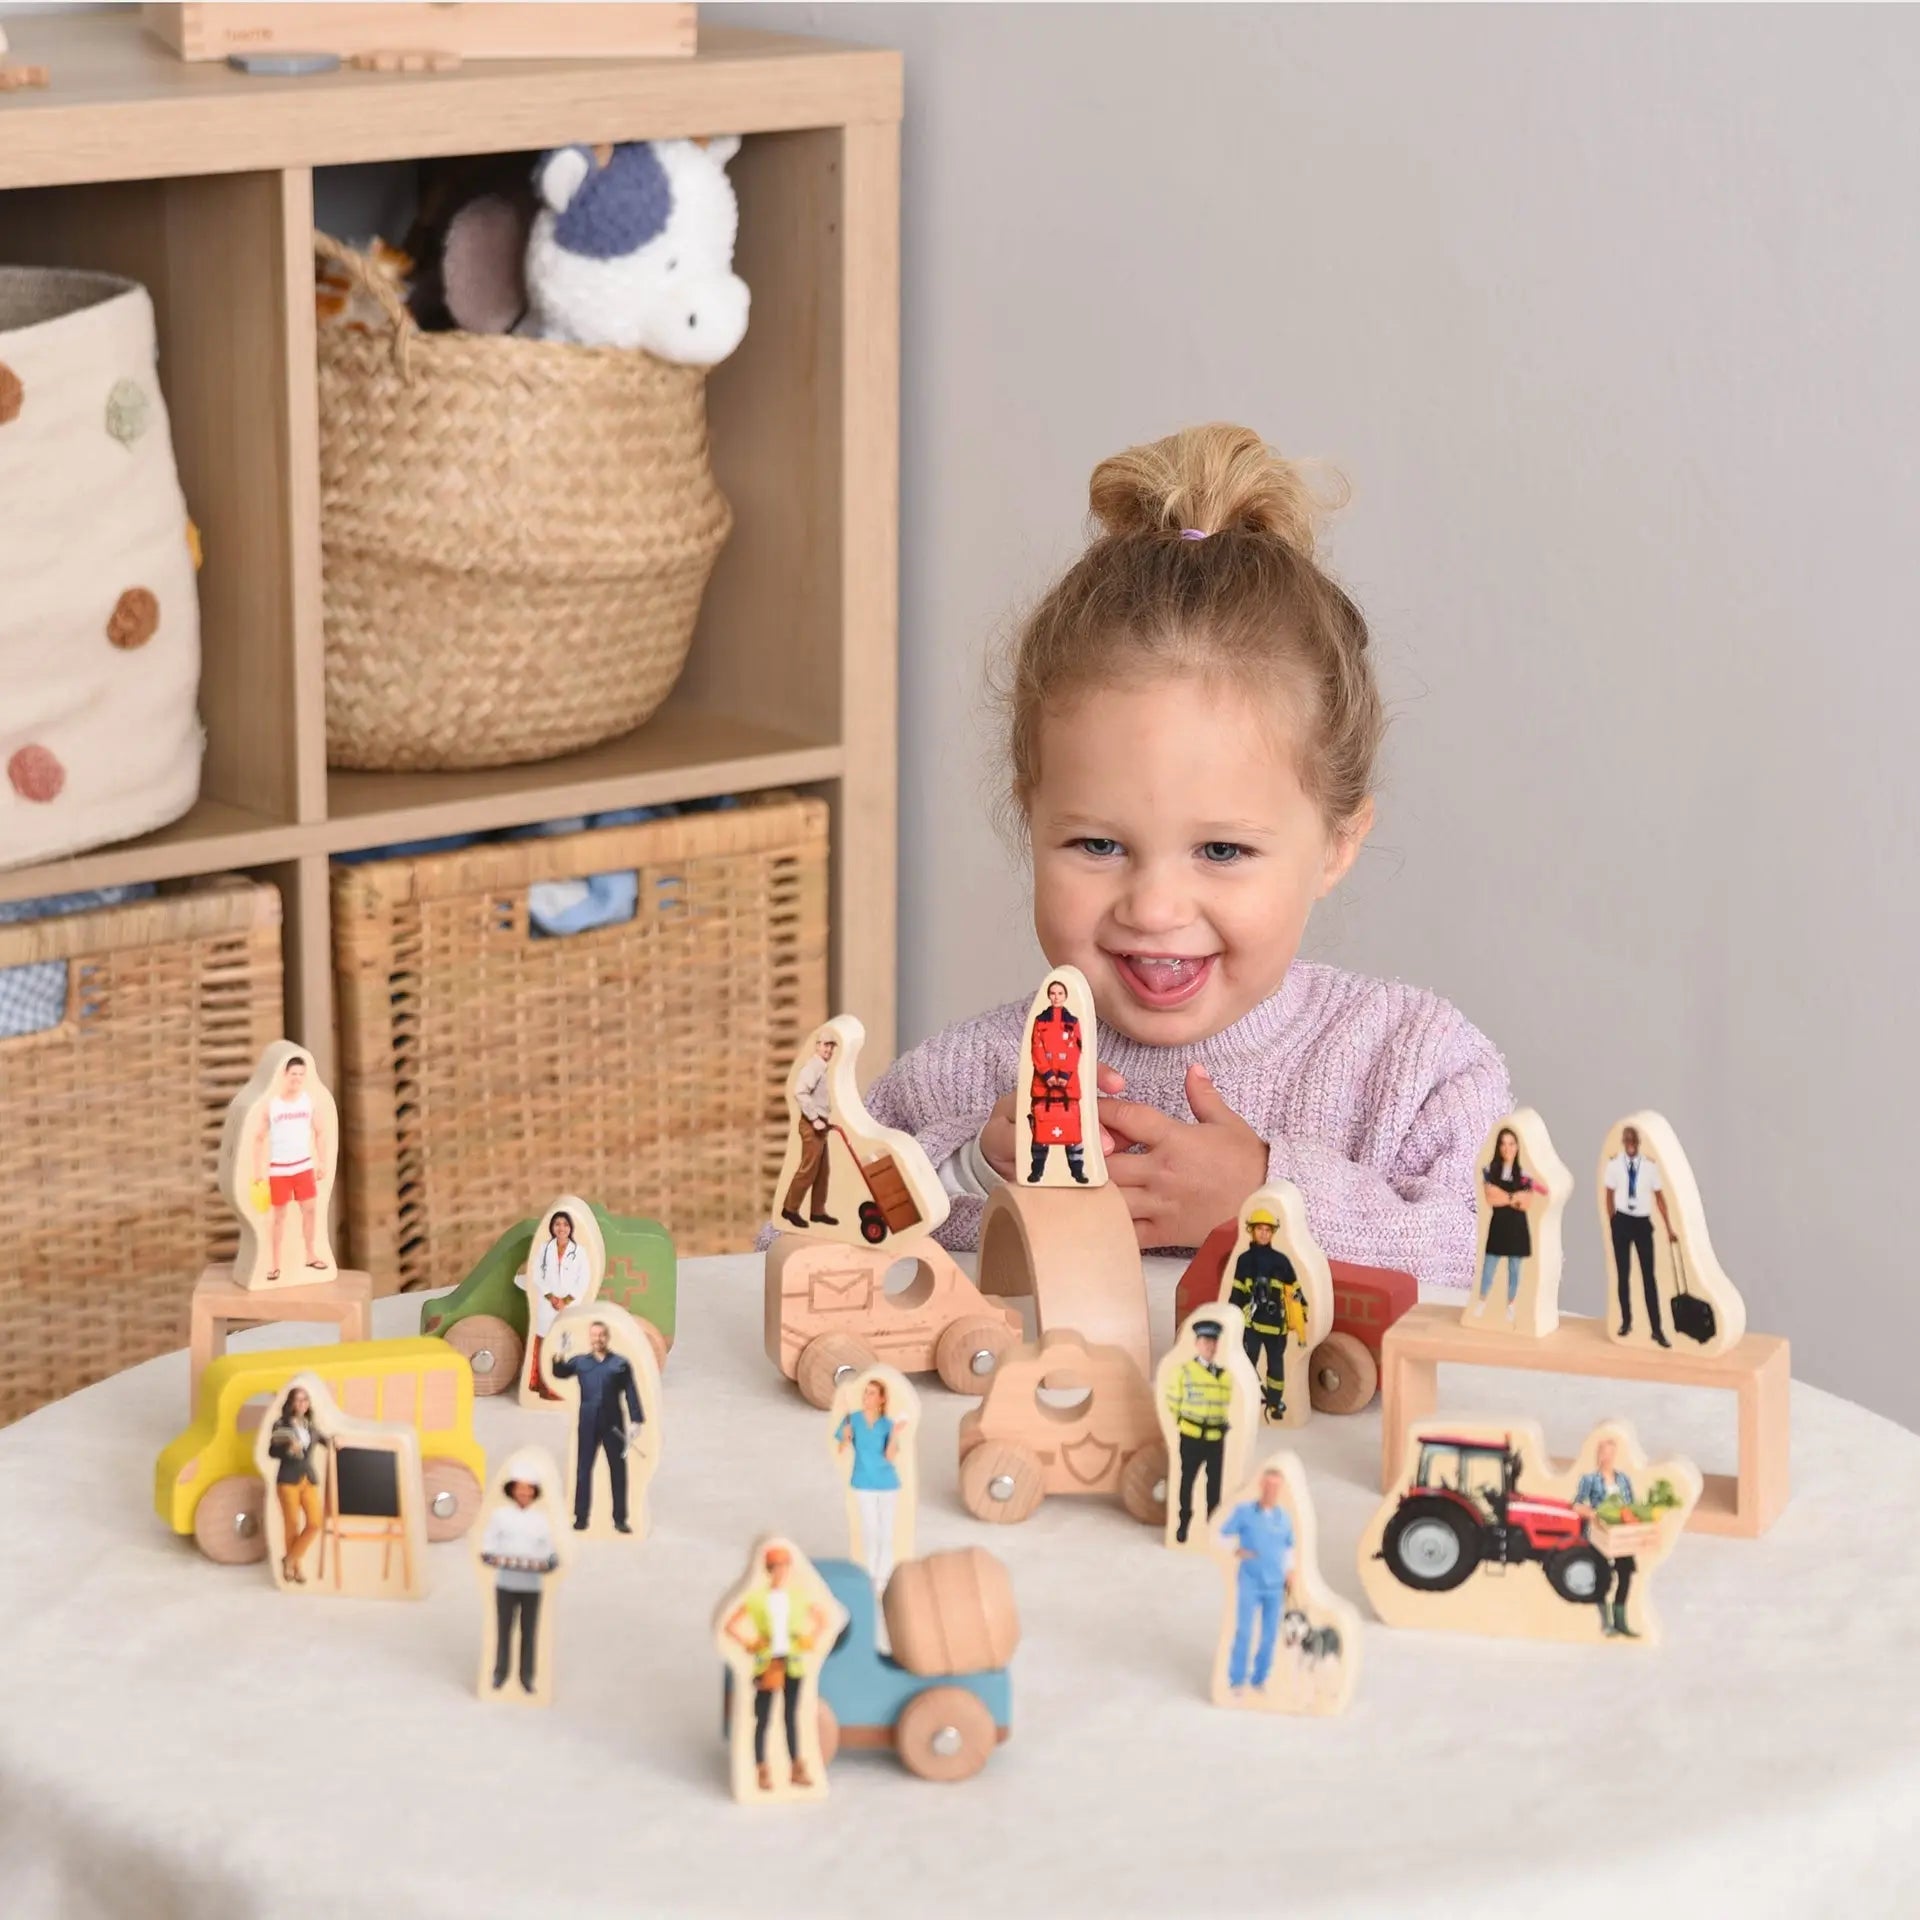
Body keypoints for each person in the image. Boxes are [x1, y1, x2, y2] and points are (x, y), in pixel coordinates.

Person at [851, 425, 1509, 1283]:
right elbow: (786, 1258)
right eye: (1097, 844)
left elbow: (1495, 1265)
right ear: (1030, 818)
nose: (1155, 908)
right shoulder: (955, 1085)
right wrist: (970, 1174)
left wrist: (1269, 1198)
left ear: (1337, 845)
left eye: (1223, 850)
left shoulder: (1415, 1067)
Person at [723, 1545, 829, 1794]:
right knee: (763, 1718)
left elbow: (822, 1620)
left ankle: (796, 1767)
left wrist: (809, 1638)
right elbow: (730, 1624)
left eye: (785, 1567)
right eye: (777, 1567)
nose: (782, 1572)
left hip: (792, 1661)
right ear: (769, 1570)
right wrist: (750, 1643)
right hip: (768, 1663)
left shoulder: (798, 1597)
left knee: (790, 1716)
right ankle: (761, 1768)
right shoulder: (757, 1598)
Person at [549, 1318, 644, 1533]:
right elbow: (560, 1372)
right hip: (588, 1422)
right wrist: (560, 1353)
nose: (597, 1339)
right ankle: (580, 1517)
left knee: (618, 1470)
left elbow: (631, 1392)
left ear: (607, 1337)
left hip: (614, 1424)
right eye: (594, 1335)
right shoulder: (581, 1362)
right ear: (589, 1338)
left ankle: (620, 1518)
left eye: (601, 1335)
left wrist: (636, 1420)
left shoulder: (620, 1363)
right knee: (583, 1469)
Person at [247, 1054, 330, 1284]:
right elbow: (257, 1138)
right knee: (278, 1216)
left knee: (310, 1209)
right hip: (279, 1169)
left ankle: (311, 1254)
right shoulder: (271, 1105)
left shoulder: (309, 1102)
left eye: (301, 1075)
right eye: (293, 1074)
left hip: (303, 1165)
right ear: (285, 1074)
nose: (297, 1078)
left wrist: (322, 1161)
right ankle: (274, 1263)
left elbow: (321, 1132)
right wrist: (257, 1172)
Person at [479, 1465, 561, 1693]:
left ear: (534, 1493)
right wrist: (489, 1554)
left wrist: (550, 1559)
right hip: (506, 1581)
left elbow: (547, 1546)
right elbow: (489, 1541)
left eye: (529, 1490)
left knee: (529, 1631)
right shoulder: (500, 1515)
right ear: (512, 1490)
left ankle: (527, 1676)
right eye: (520, 1489)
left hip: (532, 1584)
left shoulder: (541, 1519)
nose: (524, 1494)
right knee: (504, 1629)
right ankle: (500, 1672)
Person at [1220, 1465, 1297, 1697]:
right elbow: (1221, 1534)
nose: (1272, 1490)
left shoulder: (1284, 1518)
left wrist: (1290, 1572)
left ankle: (1259, 1678)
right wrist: (1236, 1549)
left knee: (1269, 1634)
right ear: (1261, 1485)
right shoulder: (1244, 1512)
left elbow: (1288, 1548)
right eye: (1269, 1485)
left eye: (1277, 1486)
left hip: (1274, 1584)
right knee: (1244, 1630)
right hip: (1250, 1580)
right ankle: (1236, 1680)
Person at [1602, 1125, 1676, 1347]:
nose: (1631, 1146)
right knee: (1623, 1274)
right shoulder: (1614, 1165)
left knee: (1648, 1277)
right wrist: (1613, 1221)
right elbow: (1609, 1193)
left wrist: (1669, 1227)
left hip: (1642, 1223)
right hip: (1622, 1221)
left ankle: (1656, 1328)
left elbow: (1660, 1198)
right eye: (1628, 1142)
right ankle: (1626, 1321)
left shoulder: (1650, 1167)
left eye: (1634, 1142)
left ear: (1639, 1143)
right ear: (1624, 1143)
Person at [1229, 1205, 1302, 1420]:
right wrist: (1232, 1317)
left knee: (1276, 1365)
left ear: (1273, 1233)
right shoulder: (1244, 1260)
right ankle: (1246, 1399)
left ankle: (1274, 1402)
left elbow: (1296, 1291)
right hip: (1251, 1324)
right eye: (1259, 1229)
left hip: (1276, 1325)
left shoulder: (1281, 1261)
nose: (1263, 1233)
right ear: (1251, 1230)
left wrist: (1300, 1316)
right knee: (1247, 1362)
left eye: (1268, 1230)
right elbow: (1237, 1291)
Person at [834, 1376, 906, 1592]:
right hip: (863, 1481)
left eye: (872, 1393)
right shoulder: (852, 1420)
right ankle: (871, 1575)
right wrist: (846, 1438)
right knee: (870, 1530)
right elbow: (841, 1448)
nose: (867, 1397)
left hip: (887, 1483)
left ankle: (883, 1578)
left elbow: (890, 1456)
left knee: (886, 1532)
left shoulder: (887, 1425)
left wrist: (894, 1435)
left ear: (882, 1399)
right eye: (866, 1392)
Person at [1165, 1317, 1234, 1542]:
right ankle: (1183, 1523)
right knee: (1187, 1482)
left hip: (1216, 1438)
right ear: (1197, 1344)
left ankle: (1212, 1526)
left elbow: (1225, 1405)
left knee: (1214, 1486)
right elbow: (1172, 1402)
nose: (1210, 1347)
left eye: (1213, 1343)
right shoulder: (1183, 1372)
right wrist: (1185, 1424)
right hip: (1192, 1437)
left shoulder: (1224, 1375)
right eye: (1206, 1342)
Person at [1573, 1434, 1641, 1639]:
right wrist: (1593, 1513)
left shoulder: (1623, 1480)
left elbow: (1631, 1505)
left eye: (1610, 1452)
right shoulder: (1589, 1479)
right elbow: (1576, 1504)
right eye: (1602, 1452)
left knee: (1625, 1574)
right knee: (1602, 1577)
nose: (1606, 1456)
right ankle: (1606, 1623)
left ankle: (1621, 1621)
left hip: (1620, 1535)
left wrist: (1633, 1518)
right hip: (1599, 1534)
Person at [515, 1208, 588, 1400]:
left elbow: (583, 1279)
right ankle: (544, 1386)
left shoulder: (579, 1252)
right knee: (546, 1343)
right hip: (548, 1305)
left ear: (570, 1227)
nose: (561, 1228)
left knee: (565, 1344)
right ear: (552, 1227)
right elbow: (536, 1275)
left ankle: (564, 1388)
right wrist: (551, 1297)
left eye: (565, 1224)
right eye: (557, 1224)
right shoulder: (544, 1249)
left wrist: (566, 1300)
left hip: (569, 1306)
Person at [1026, 977, 1089, 1184]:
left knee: (1071, 1129)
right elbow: (1036, 1048)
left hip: (1067, 1086)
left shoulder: (1073, 1023)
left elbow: (1075, 1049)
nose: (1056, 997)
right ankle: (1037, 1170)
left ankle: (1077, 1171)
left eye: (1060, 993)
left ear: (1065, 996)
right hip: (1043, 1085)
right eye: (1053, 993)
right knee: (1040, 1131)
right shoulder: (1040, 1021)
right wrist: (1047, 1074)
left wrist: (1063, 1075)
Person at [1478, 1126, 1542, 1324]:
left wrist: (1503, 1196)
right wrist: (1513, 1198)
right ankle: (1481, 1302)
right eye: (1503, 1144)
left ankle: (1511, 1305)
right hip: (1498, 1225)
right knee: (1489, 1266)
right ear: (1498, 1147)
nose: (1507, 1148)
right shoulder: (1489, 1171)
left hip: (1517, 1228)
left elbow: (1526, 1203)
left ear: (1517, 1147)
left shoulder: (1524, 1175)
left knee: (1515, 1269)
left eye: (1511, 1144)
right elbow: (1491, 1198)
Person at [265, 1383, 326, 1585]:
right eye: (298, 1399)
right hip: (288, 1479)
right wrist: (289, 1448)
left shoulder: (310, 1426)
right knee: (291, 1524)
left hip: (308, 1479)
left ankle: (290, 1559)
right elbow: (272, 1452)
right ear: (291, 1402)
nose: (302, 1403)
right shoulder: (281, 1425)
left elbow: (324, 1440)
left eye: (305, 1399)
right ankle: (295, 1568)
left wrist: (337, 1441)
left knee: (315, 1523)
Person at [781, 1033, 841, 1230]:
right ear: (817, 1046)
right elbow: (800, 1091)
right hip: (811, 1125)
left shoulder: (822, 1068)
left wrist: (824, 1120)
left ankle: (817, 1211)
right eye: (825, 1046)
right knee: (808, 1170)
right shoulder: (813, 1067)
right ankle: (790, 1209)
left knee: (823, 1172)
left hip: (820, 1124)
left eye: (831, 1047)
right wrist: (814, 1119)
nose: (829, 1050)